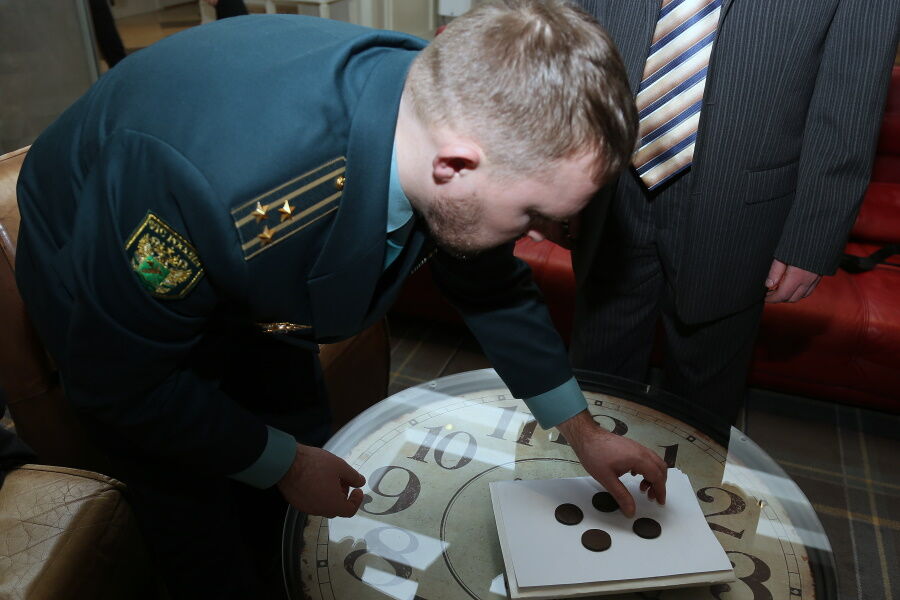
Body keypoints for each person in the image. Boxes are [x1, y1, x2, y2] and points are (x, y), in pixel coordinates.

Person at [15, 2, 667, 598]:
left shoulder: (448, 113)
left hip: (256, 294)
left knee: (294, 451)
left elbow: (488, 282)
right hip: (110, 280)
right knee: (196, 522)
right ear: (456, 165)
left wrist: (580, 432)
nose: (536, 236)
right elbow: (122, 381)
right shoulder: (222, 191)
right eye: (531, 215)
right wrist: (283, 463)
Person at [569, 0, 900, 425]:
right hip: (609, 181)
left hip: (741, 204)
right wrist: (557, 173)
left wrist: (813, 235)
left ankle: (688, 471)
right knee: (595, 370)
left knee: (702, 400)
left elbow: (851, 98)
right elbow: (570, 41)